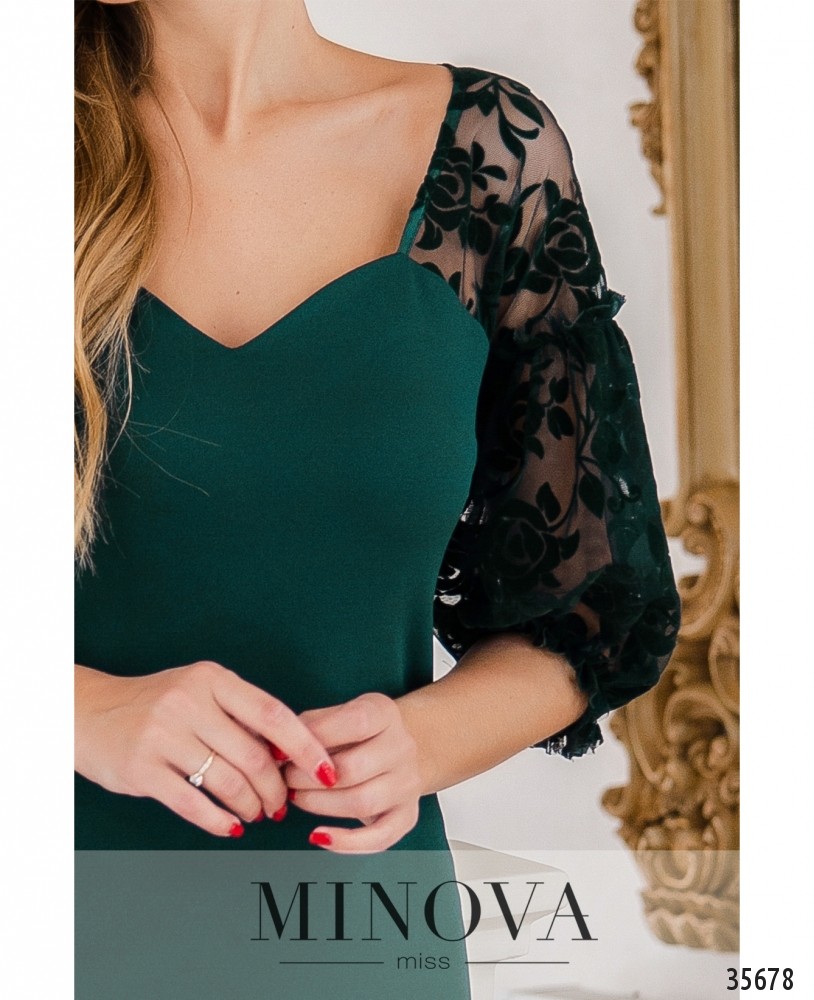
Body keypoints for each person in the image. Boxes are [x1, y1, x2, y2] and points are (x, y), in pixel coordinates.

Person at [74, 1, 681, 994]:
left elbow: (596, 608)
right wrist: (78, 710)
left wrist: (419, 742)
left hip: (352, 937)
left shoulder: (488, 160)